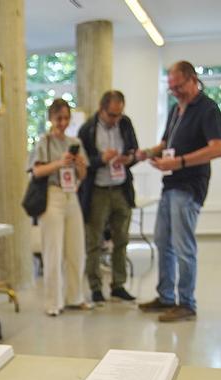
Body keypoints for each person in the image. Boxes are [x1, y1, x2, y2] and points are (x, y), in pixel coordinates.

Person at [137, 61, 221, 322]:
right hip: (171, 184)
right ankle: (166, 296)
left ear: (193, 80)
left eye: (179, 87)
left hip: (189, 186)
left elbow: (217, 148)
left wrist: (179, 162)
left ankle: (186, 302)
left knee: (183, 246)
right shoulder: (176, 110)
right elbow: (166, 142)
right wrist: (147, 153)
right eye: (171, 88)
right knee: (163, 242)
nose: (175, 92)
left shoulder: (207, 108)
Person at [76, 90, 140, 304]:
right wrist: (101, 159)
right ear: (101, 110)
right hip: (98, 190)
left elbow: (134, 152)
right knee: (94, 241)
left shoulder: (125, 124)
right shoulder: (87, 129)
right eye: (112, 115)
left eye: (119, 114)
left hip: (121, 188)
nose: (116, 119)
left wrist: (128, 158)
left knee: (121, 239)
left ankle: (118, 284)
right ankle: (95, 286)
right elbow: (82, 162)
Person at [30, 98, 90, 316]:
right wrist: (59, 163)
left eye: (66, 118)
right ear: (51, 119)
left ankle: (75, 296)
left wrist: (79, 165)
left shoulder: (75, 142)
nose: (63, 122)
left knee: (76, 249)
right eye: (59, 118)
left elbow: (82, 176)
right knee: (53, 251)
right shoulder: (43, 142)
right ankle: (53, 302)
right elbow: (36, 171)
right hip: (52, 195)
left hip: (71, 194)